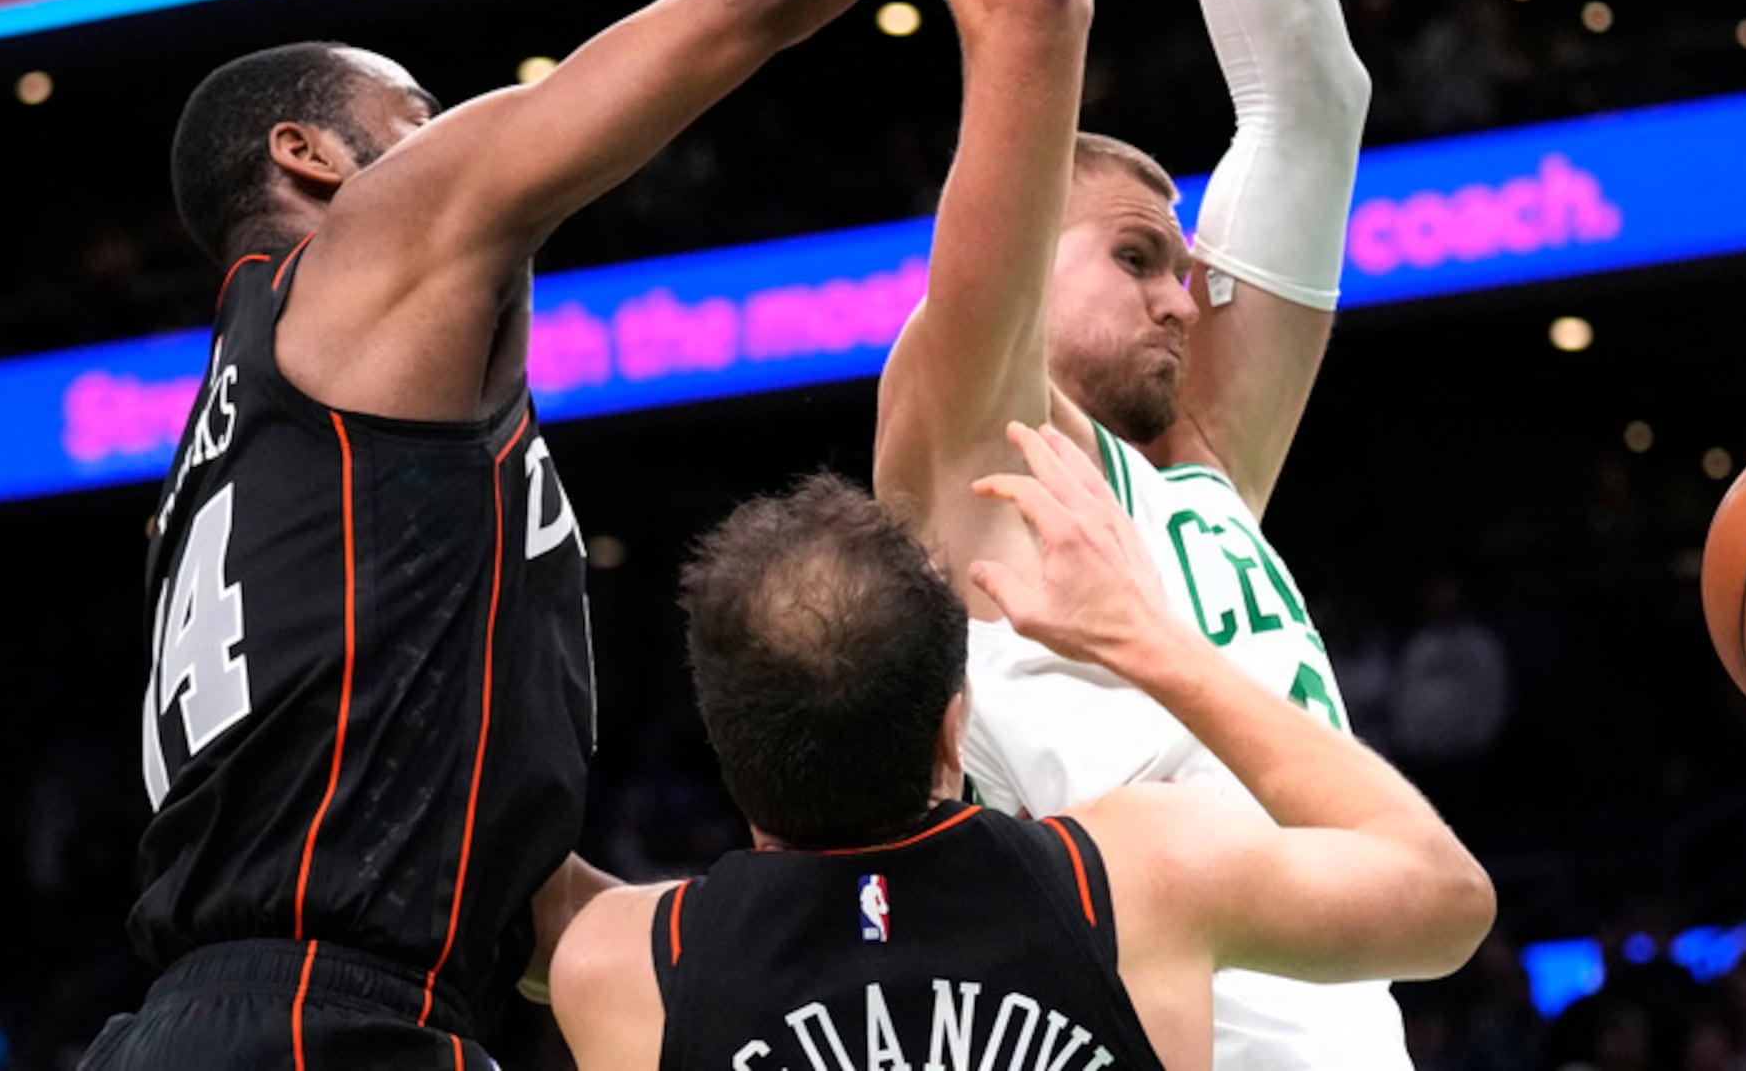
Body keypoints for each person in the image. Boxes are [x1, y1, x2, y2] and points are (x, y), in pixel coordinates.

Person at [91, 0, 1137, 1069]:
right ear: (309, 157)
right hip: (324, 1029)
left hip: (254, 1017)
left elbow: (462, 872)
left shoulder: (254, 447)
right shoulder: (374, 248)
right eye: (420, 111)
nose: (458, 138)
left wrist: (798, 925)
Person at [871, 0, 1389, 1071]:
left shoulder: (1205, 471)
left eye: (1185, 261)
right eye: (1142, 253)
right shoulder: (965, 452)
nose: (1188, 289)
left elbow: (1311, 101)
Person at [548, 420, 1494, 1071]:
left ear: (725, 745)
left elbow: (494, 873)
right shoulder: (1140, 876)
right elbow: (1446, 901)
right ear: (955, 722)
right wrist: (1151, 642)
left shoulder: (625, 967)